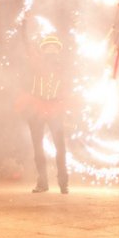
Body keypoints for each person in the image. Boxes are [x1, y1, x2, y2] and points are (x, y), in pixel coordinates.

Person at [15, 30, 69, 194]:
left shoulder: (63, 67)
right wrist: (23, 27)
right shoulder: (37, 62)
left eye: (54, 47)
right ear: (44, 49)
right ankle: (43, 182)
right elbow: (28, 47)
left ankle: (63, 183)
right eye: (48, 47)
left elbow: (68, 88)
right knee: (38, 146)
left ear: (58, 50)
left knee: (60, 146)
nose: (51, 49)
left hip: (55, 107)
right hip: (37, 106)